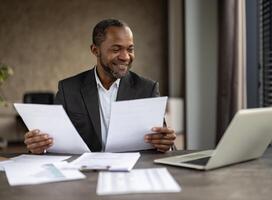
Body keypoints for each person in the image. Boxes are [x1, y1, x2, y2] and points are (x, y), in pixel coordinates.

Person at [24, 19, 176, 154]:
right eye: (116, 49)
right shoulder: (68, 89)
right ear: (95, 50)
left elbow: (163, 142)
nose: (125, 57)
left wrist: (166, 145)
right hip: (85, 175)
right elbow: (51, 140)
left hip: (132, 174)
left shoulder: (147, 89)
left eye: (130, 49)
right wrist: (38, 146)